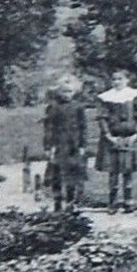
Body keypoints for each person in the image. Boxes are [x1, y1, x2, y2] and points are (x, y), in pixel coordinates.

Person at [94, 66, 137, 212]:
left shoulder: (134, 96)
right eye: (114, 79)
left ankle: (128, 200)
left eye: (120, 79)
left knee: (127, 169)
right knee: (113, 171)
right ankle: (112, 201)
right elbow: (102, 118)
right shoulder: (106, 97)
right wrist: (108, 135)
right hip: (112, 138)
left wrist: (136, 134)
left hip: (130, 137)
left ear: (127, 80)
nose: (117, 82)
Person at [42, 76, 89, 212]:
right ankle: (57, 201)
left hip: (73, 144)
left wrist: (82, 145)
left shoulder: (78, 107)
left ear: (74, 92)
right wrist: (48, 146)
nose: (67, 94)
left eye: (70, 91)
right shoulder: (53, 107)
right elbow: (49, 128)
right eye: (64, 91)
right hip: (59, 143)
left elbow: (83, 127)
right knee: (56, 173)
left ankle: (70, 200)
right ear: (58, 92)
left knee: (72, 173)